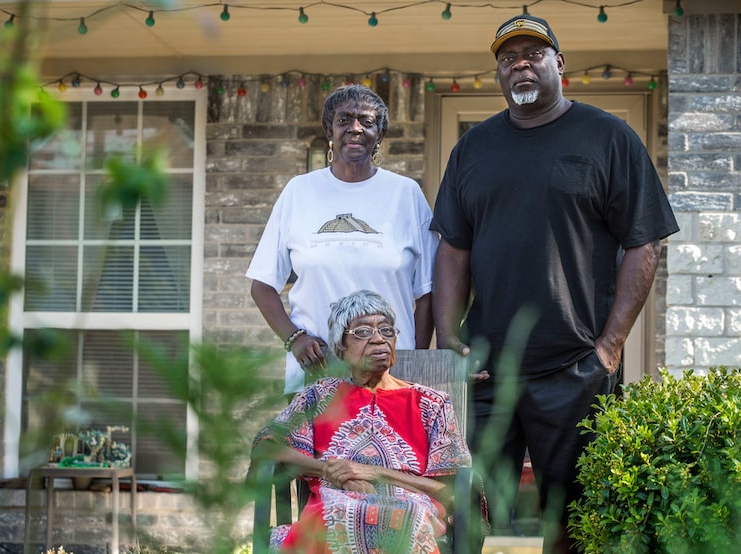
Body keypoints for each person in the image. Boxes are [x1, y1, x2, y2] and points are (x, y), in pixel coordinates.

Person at [430, 14, 679, 554]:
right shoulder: (473, 150)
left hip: (574, 367)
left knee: (570, 521)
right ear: (497, 74)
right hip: (486, 369)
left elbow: (645, 244)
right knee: (464, 510)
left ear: (559, 64)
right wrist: (449, 338)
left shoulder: (607, 137)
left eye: (533, 53)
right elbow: (453, 245)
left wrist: (609, 348)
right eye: (507, 57)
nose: (519, 63)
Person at [246, 84, 438, 396]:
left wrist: (411, 359)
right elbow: (262, 285)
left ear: (381, 134)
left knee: (393, 448)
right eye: (344, 120)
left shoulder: (406, 194)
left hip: (389, 376)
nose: (356, 129)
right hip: (318, 371)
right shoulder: (299, 191)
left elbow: (427, 291)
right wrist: (295, 338)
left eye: (367, 121)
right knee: (318, 447)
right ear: (329, 130)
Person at [251, 290, 472, 553]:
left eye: (387, 331)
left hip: (411, 508)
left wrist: (370, 472)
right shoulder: (320, 396)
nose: (379, 339)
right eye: (363, 332)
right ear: (341, 347)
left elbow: (451, 492)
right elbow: (265, 446)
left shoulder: (431, 403)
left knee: (407, 517)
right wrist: (330, 470)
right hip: (335, 504)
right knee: (333, 517)